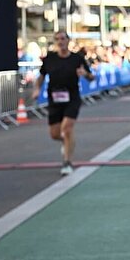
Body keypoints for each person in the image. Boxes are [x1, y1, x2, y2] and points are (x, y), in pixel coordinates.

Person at [32, 30, 95, 176]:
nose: (60, 41)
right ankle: (67, 143)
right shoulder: (49, 59)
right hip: (54, 98)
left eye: (63, 38)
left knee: (67, 128)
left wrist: (85, 74)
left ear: (68, 40)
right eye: (57, 39)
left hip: (72, 97)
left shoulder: (77, 59)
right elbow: (41, 77)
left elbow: (92, 77)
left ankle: (67, 162)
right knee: (55, 134)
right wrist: (36, 89)